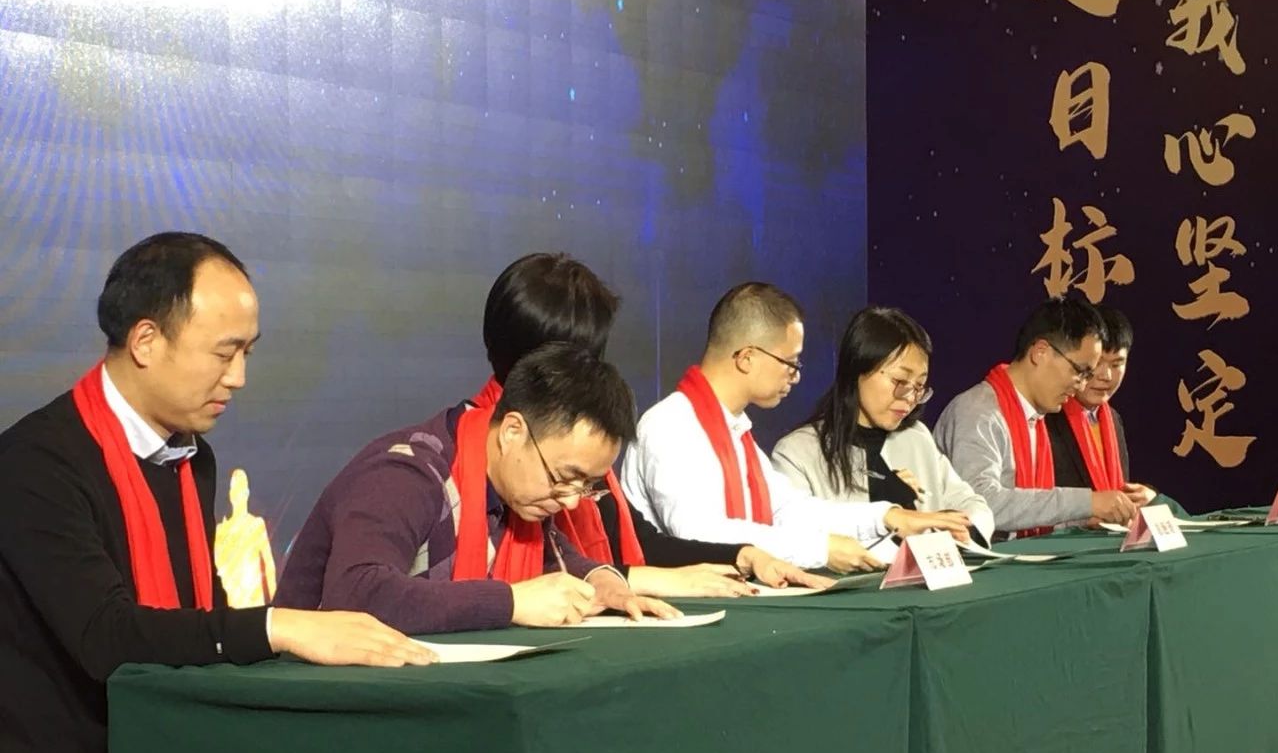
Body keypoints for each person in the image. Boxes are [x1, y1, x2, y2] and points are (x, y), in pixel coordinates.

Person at [0, 232, 435, 753]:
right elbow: (109, 637)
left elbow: (194, 618)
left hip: (152, 751)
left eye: (247, 353)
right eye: (224, 353)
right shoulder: (37, 463)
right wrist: (279, 626)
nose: (238, 378)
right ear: (147, 341)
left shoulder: (189, 457)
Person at [476, 252, 829, 592]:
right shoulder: (475, 453)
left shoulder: (578, 445)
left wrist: (742, 554)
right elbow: (559, 576)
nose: (570, 499)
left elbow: (635, 543)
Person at [274, 342, 682, 632]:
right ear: (512, 432)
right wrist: (511, 602)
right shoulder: (408, 474)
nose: (572, 501)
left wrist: (600, 582)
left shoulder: (517, 489)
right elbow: (355, 592)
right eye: (563, 478)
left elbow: (552, 558)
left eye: (587, 486)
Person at [621, 283, 969, 571]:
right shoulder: (671, 426)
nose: (796, 376)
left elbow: (789, 509)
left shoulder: (736, 431)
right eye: (790, 362)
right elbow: (701, 533)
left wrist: (887, 516)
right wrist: (821, 549)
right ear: (747, 358)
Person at [772, 306, 991, 545]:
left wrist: (955, 528)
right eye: (900, 381)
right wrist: (887, 511)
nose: (910, 397)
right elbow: (796, 538)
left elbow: (974, 506)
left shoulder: (916, 438)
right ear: (858, 369)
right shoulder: (797, 453)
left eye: (919, 386)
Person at [933, 296, 1137, 538]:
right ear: (1041, 352)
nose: (1082, 385)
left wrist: (1079, 518)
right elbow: (980, 506)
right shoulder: (977, 412)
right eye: (1079, 371)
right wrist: (1087, 502)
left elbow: (1028, 511)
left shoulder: (1035, 415)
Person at [1045, 306, 1157, 508]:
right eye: (1097, 363)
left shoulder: (1113, 418)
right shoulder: (1045, 416)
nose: (1106, 376)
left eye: (1116, 364)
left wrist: (1145, 496)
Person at [214, 468, 278, 609]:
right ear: (231, 494)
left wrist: (277, 605)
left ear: (247, 493)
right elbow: (216, 568)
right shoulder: (221, 531)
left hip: (252, 604)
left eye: (241, 489)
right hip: (230, 605)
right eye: (234, 489)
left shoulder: (256, 525)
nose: (237, 494)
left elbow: (269, 566)